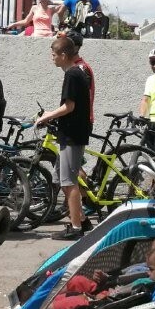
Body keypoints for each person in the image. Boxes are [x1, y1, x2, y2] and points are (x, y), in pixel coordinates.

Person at [35, 36, 92, 240]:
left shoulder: (72, 75)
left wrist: (47, 115)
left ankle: (76, 228)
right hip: (70, 133)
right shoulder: (75, 73)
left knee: (69, 181)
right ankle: (82, 219)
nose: (52, 58)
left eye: (53, 55)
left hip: (72, 135)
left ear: (63, 55)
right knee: (62, 176)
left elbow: (70, 106)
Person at [48, 238, 155, 309]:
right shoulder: (147, 274)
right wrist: (106, 278)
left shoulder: (145, 284)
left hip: (107, 301)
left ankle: (44, 308)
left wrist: (104, 293)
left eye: (151, 269)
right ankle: (46, 296)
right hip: (106, 289)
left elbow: (121, 294)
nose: (148, 271)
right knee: (78, 281)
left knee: (76, 301)